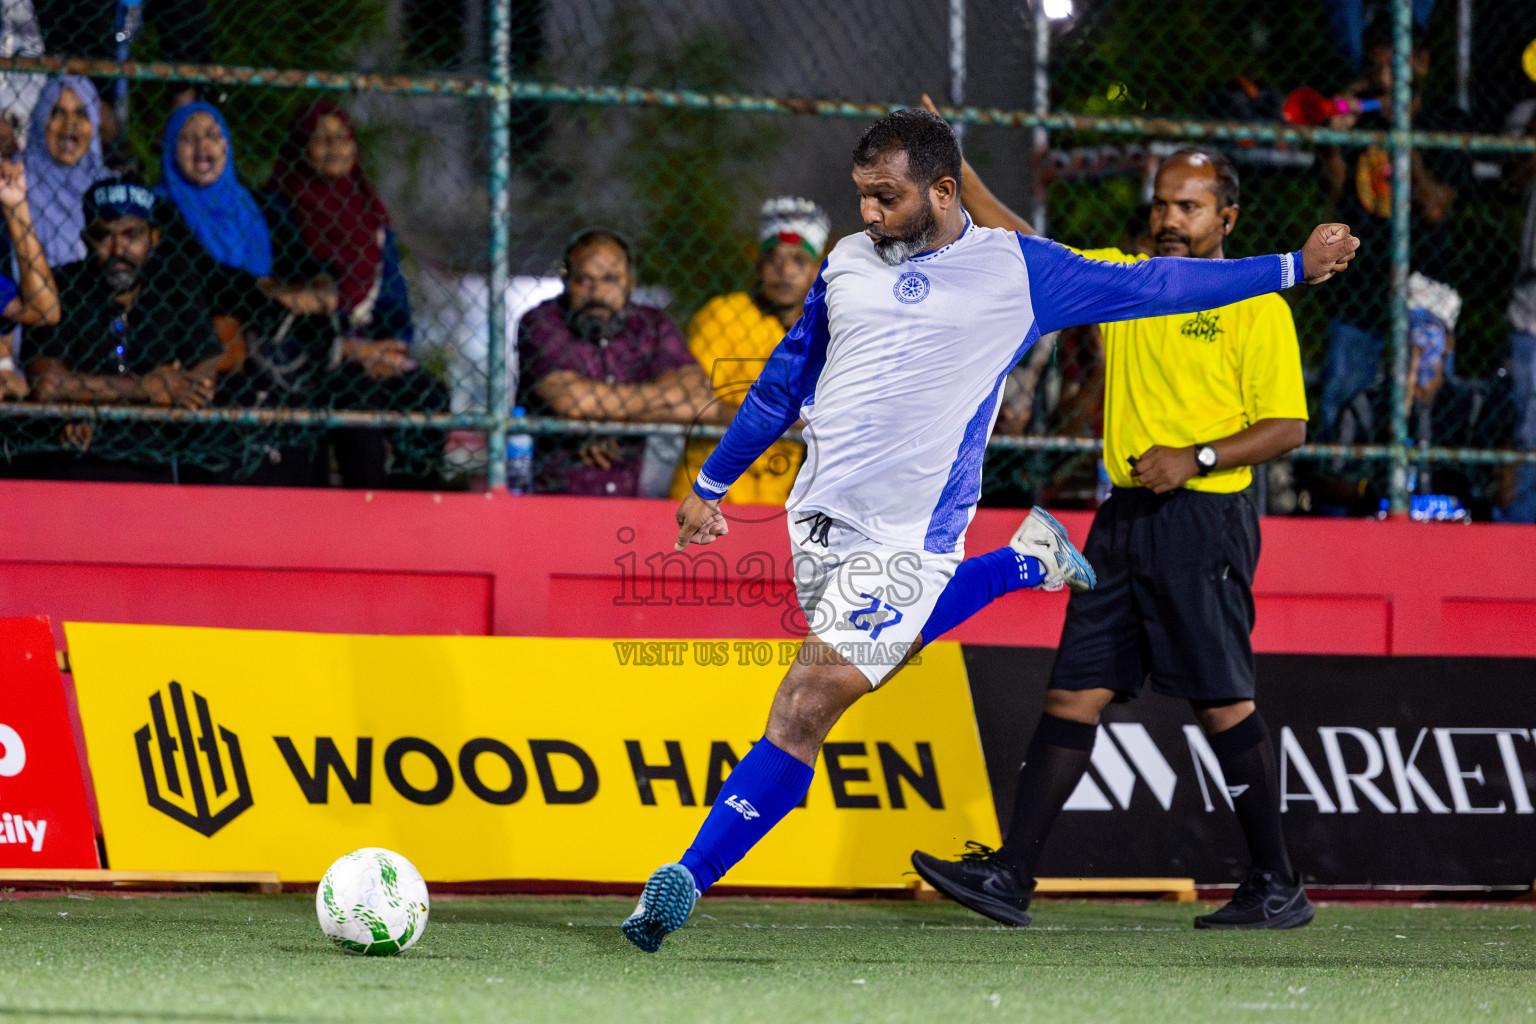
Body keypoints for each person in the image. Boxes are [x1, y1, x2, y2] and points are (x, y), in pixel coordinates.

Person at [621, 108, 1357, 953]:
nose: (867, 215)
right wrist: (711, 483)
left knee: (804, 702)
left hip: (914, 533)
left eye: (885, 198)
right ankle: (1020, 564)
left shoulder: (1019, 273)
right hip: (820, 522)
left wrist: (1294, 267)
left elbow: (1158, 286)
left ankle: (681, 881)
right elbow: (784, 381)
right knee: (853, 682)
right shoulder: (846, 264)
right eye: (861, 196)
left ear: (940, 191)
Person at [906, 129, 1318, 930]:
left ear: (1226, 218)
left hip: (1205, 517)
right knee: (1073, 691)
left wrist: (1195, 456)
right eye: (1162, 202)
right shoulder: (1128, 281)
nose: (1170, 217)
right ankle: (1011, 876)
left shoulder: (1256, 304)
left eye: (1189, 206)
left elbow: (1288, 427)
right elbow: (1021, 240)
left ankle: (1278, 883)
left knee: (1222, 700)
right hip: (1122, 518)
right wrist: (954, 168)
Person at [266, 100, 446, 488]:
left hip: (372, 351)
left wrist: (391, 348)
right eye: (320, 139)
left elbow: (394, 304)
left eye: (342, 138)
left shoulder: (371, 216)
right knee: (356, 394)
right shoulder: (280, 211)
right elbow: (282, 308)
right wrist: (352, 350)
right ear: (301, 148)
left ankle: (414, 505)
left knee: (428, 393)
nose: (333, 148)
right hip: (314, 355)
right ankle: (368, 507)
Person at [25, 178, 225, 481]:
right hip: (77, 451)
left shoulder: (174, 283)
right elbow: (47, 383)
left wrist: (86, 393)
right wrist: (146, 389)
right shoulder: (65, 285)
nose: (119, 249)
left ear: (154, 237)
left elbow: (204, 367)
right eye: (104, 236)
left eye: (132, 234)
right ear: (85, 239)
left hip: (153, 449)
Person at [516, 228, 722, 496]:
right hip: (558, 497)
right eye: (584, 280)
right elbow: (571, 401)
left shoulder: (651, 325)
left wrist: (607, 420)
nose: (597, 292)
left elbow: (699, 399)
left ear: (630, 281)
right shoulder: (543, 322)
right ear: (566, 279)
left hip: (636, 499)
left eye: (610, 279)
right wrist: (661, 401)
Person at [668, 196, 829, 505]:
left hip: (781, 497)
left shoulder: (824, 330)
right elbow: (697, 402)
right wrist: (796, 418)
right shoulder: (725, 314)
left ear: (815, 271)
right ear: (758, 265)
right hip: (709, 490)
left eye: (798, 261)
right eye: (774, 259)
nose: (785, 271)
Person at [21, 76, 105, 269]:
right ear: (41, 117)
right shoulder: (15, 179)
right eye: (58, 112)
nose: (70, 124)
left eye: (81, 113)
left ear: (94, 122)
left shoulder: (108, 186)